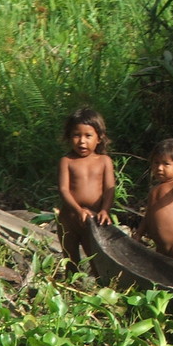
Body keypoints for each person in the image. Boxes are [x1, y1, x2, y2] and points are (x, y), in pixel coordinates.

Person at [57, 107, 115, 269]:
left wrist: (105, 210)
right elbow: (63, 190)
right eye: (77, 135)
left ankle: (98, 289)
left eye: (88, 136)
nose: (82, 141)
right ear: (69, 137)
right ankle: (71, 288)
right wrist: (78, 210)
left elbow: (110, 188)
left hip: (94, 220)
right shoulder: (67, 161)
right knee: (71, 261)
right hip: (69, 219)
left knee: (97, 261)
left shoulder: (104, 161)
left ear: (99, 138)